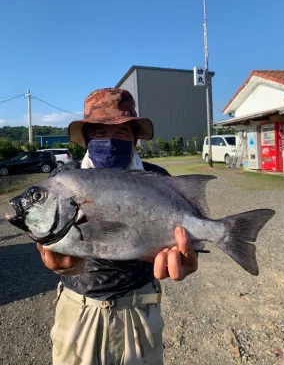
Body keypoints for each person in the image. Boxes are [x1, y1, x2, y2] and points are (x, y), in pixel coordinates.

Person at [37, 88, 198, 365]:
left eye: (122, 132)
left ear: (135, 137)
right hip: (79, 309)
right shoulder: (63, 179)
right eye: (99, 132)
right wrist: (63, 263)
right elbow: (51, 238)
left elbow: (179, 236)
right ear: (86, 137)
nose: (110, 140)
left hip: (139, 309)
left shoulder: (157, 177)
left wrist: (188, 257)